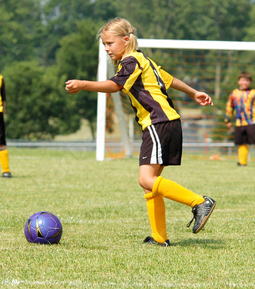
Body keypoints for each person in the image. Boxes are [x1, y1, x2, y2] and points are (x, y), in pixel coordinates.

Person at [65, 17, 216, 247]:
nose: (106, 48)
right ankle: (159, 237)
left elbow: (115, 86)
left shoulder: (131, 61)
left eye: (109, 43)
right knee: (150, 183)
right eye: (104, 44)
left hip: (158, 122)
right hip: (166, 123)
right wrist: (194, 92)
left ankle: (199, 202)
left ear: (125, 41)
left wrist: (83, 84)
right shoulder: (143, 59)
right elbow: (169, 79)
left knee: (145, 178)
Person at [224, 71, 255, 167]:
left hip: (252, 121)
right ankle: (242, 162)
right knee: (242, 143)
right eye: (243, 80)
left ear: (250, 82)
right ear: (238, 81)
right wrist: (227, 120)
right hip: (239, 122)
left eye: (247, 81)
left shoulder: (253, 93)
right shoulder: (234, 94)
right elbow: (229, 107)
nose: (245, 83)